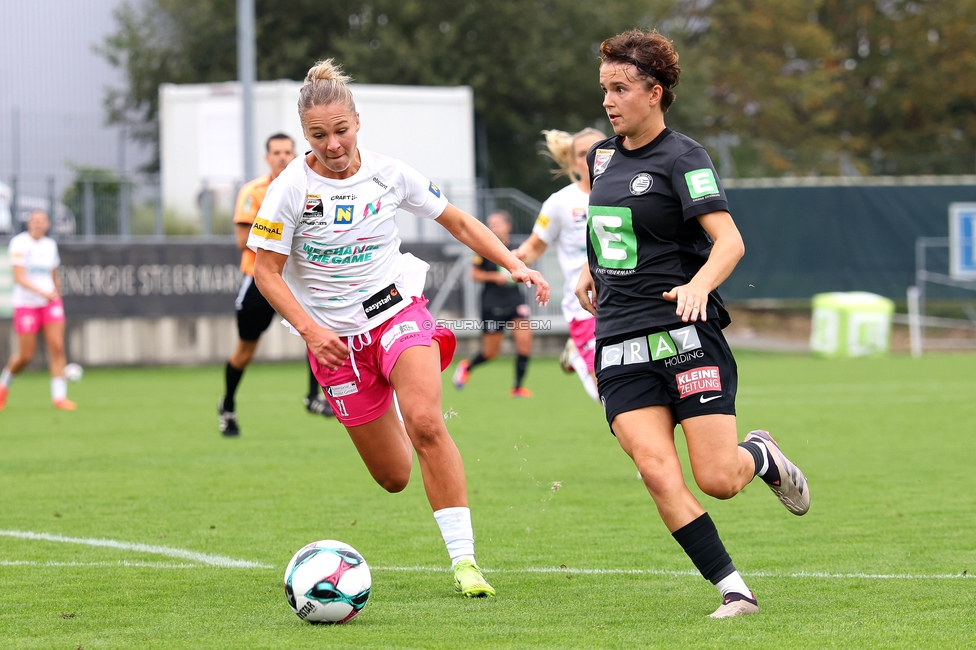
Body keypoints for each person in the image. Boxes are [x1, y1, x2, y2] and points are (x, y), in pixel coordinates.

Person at [248, 59, 549, 597]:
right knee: (393, 477)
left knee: (427, 424)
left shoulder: (389, 173)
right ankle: (395, 412)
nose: (333, 145)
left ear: (358, 121)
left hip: (397, 312)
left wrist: (513, 262)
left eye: (341, 130)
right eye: (319, 136)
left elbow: (456, 220)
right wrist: (313, 333)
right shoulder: (290, 189)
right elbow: (266, 273)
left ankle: (465, 563)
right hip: (335, 345)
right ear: (304, 134)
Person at [575, 29, 810, 619]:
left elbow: (729, 242)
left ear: (655, 93)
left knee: (718, 479)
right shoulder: (600, 156)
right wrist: (589, 269)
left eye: (621, 89)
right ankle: (735, 589)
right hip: (618, 339)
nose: (609, 101)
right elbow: (616, 225)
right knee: (656, 471)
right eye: (604, 88)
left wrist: (699, 285)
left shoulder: (685, 157)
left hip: (682, 333)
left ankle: (758, 455)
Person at [218, 133, 334, 438]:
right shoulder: (255, 191)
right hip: (261, 279)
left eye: (287, 151)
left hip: (297, 280)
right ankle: (228, 405)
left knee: (319, 330)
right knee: (245, 351)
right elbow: (244, 241)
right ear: (267, 158)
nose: (283, 157)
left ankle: (313, 397)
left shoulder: (310, 189)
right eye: (276, 152)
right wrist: (281, 230)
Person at [515, 128, 605, 403]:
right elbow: (532, 247)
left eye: (598, 149)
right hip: (585, 307)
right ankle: (580, 354)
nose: (590, 158)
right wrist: (508, 260)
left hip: (629, 300)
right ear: (572, 162)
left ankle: (577, 354)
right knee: (609, 392)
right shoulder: (560, 203)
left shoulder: (632, 192)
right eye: (582, 154)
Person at [452, 210, 534, 397]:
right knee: (491, 352)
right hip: (492, 304)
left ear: (508, 226)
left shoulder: (517, 249)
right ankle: (467, 367)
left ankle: (517, 387)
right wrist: (495, 277)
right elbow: (474, 274)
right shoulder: (484, 248)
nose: (493, 227)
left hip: (515, 301)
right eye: (491, 224)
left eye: (497, 223)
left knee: (525, 343)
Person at [0, 210, 75, 411]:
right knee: (26, 356)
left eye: (41, 221)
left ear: (48, 224)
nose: (38, 224)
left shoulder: (50, 245)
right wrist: (42, 292)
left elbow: (53, 274)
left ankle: (59, 397)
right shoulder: (19, 243)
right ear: (28, 223)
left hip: (50, 303)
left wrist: (56, 294)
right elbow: (19, 277)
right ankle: (3, 386)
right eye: (34, 221)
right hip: (26, 304)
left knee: (57, 346)